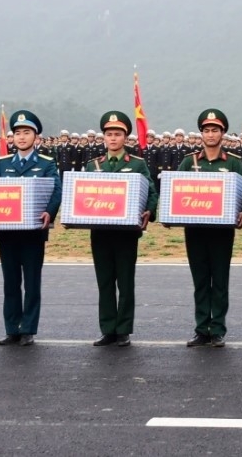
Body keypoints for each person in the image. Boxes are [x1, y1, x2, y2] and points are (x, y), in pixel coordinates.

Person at [177, 109, 242, 347]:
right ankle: (201, 329)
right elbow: (176, 188)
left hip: (222, 232)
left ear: (223, 133)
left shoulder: (233, 162)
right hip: (195, 230)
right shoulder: (189, 162)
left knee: (219, 280)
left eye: (215, 130)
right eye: (206, 130)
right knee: (200, 280)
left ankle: (217, 328)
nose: (211, 134)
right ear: (201, 133)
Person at [84, 111, 159, 347]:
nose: (113, 138)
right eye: (109, 134)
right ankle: (108, 329)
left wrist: (149, 210)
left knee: (125, 282)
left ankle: (124, 329)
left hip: (126, 232)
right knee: (104, 281)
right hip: (100, 231)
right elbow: (83, 193)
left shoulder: (137, 164)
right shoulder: (93, 165)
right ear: (103, 138)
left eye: (117, 134)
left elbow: (151, 192)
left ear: (125, 137)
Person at [0, 110, 62, 347]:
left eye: (26, 132)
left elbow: (56, 190)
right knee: (10, 282)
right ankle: (12, 328)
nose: (21, 137)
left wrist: (50, 212)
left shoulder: (46, 164)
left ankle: (28, 328)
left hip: (33, 233)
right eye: (17, 133)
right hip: (7, 233)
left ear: (36, 137)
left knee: (32, 282)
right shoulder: (2, 165)